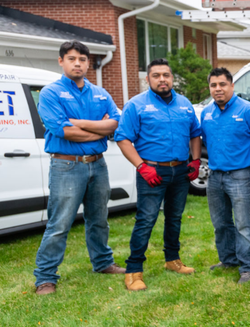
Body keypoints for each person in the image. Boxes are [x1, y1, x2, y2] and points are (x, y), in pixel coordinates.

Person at [33, 40, 125, 295]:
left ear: (88, 63)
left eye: (82, 59)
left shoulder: (100, 93)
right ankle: (45, 278)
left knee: (99, 219)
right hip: (66, 166)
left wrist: (81, 124)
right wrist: (99, 130)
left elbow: (116, 122)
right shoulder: (50, 93)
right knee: (60, 223)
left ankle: (103, 263)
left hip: (98, 166)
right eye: (72, 58)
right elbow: (64, 131)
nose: (77, 63)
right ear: (61, 61)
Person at [114, 58, 202, 291]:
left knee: (174, 217)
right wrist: (142, 166)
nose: (162, 79)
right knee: (146, 220)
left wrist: (194, 160)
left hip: (181, 171)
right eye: (156, 75)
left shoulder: (184, 104)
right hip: (152, 170)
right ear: (148, 79)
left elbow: (195, 133)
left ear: (172, 78)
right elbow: (122, 138)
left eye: (166, 75)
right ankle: (133, 270)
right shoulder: (136, 105)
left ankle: (172, 260)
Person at [201, 67, 250, 284]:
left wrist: (246, 159)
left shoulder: (248, 110)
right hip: (214, 176)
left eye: (222, 84)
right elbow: (205, 141)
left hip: (239, 175)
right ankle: (228, 259)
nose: (218, 89)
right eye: (213, 85)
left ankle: (249, 267)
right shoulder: (206, 113)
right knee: (220, 222)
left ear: (232, 85)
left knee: (242, 222)